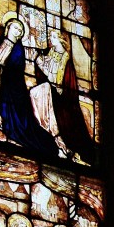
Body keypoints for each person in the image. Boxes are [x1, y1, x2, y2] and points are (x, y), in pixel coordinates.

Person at [0, 17, 57, 155]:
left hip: (16, 88)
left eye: (20, 30)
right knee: (8, 115)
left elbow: (16, 67)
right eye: (16, 28)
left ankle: (42, 144)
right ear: (8, 28)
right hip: (2, 86)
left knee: (25, 121)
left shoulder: (19, 48)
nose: (18, 31)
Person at [30, 29, 94, 162]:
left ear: (60, 39)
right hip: (51, 92)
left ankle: (62, 143)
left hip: (62, 98)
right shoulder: (51, 53)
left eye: (53, 36)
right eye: (50, 36)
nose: (50, 39)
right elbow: (44, 73)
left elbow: (59, 83)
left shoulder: (66, 60)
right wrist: (40, 62)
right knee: (34, 93)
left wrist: (43, 66)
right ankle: (42, 129)